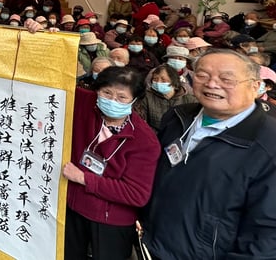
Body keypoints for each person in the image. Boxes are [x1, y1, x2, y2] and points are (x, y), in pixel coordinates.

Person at [141, 49, 276, 258]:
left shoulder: (268, 145)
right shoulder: (178, 117)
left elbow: (267, 236)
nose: (212, 84)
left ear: (255, 86)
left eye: (226, 79)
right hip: (151, 245)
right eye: (202, 75)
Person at [63, 67, 160, 260]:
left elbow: (137, 194)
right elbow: (55, 81)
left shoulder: (145, 141)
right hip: (73, 208)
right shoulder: (87, 104)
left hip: (112, 221)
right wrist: (45, 38)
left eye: (122, 97)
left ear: (134, 100)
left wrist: (84, 178)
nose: (112, 101)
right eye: (106, 93)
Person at [134, 64, 196, 132]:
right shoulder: (146, 97)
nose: (158, 83)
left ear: (174, 83)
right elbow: (141, 122)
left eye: (163, 80)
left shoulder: (190, 100)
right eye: (155, 79)